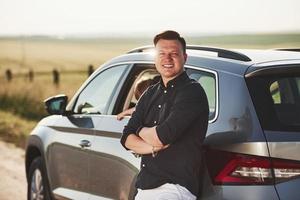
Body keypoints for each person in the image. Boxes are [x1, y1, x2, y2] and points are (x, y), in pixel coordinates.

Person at [120, 30, 209, 199]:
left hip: (174, 189)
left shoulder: (192, 92)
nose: (167, 59)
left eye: (174, 54)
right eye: (162, 53)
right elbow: (126, 138)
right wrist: (153, 147)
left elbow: (162, 137)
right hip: (144, 187)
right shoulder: (150, 93)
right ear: (155, 58)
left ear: (185, 57)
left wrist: (139, 130)